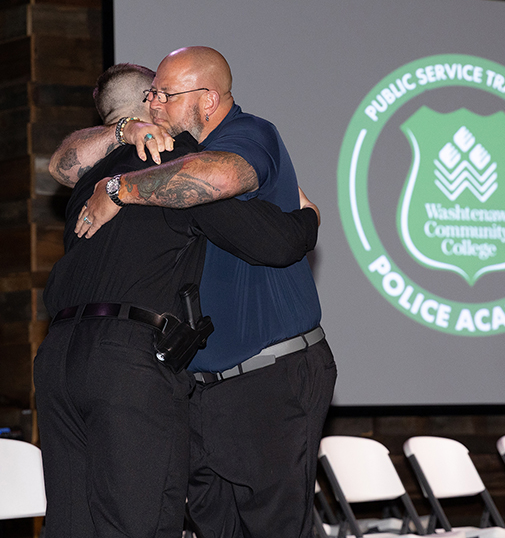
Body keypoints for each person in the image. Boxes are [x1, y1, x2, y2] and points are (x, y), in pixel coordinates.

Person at [49, 47, 336, 538]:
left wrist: (120, 189)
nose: (156, 105)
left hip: (267, 376)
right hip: (190, 382)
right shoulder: (161, 159)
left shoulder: (239, 139)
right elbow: (61, 165)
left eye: (165, 94)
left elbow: (253, 218)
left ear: (205, 99)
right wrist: (303, 222)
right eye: (152, 96)